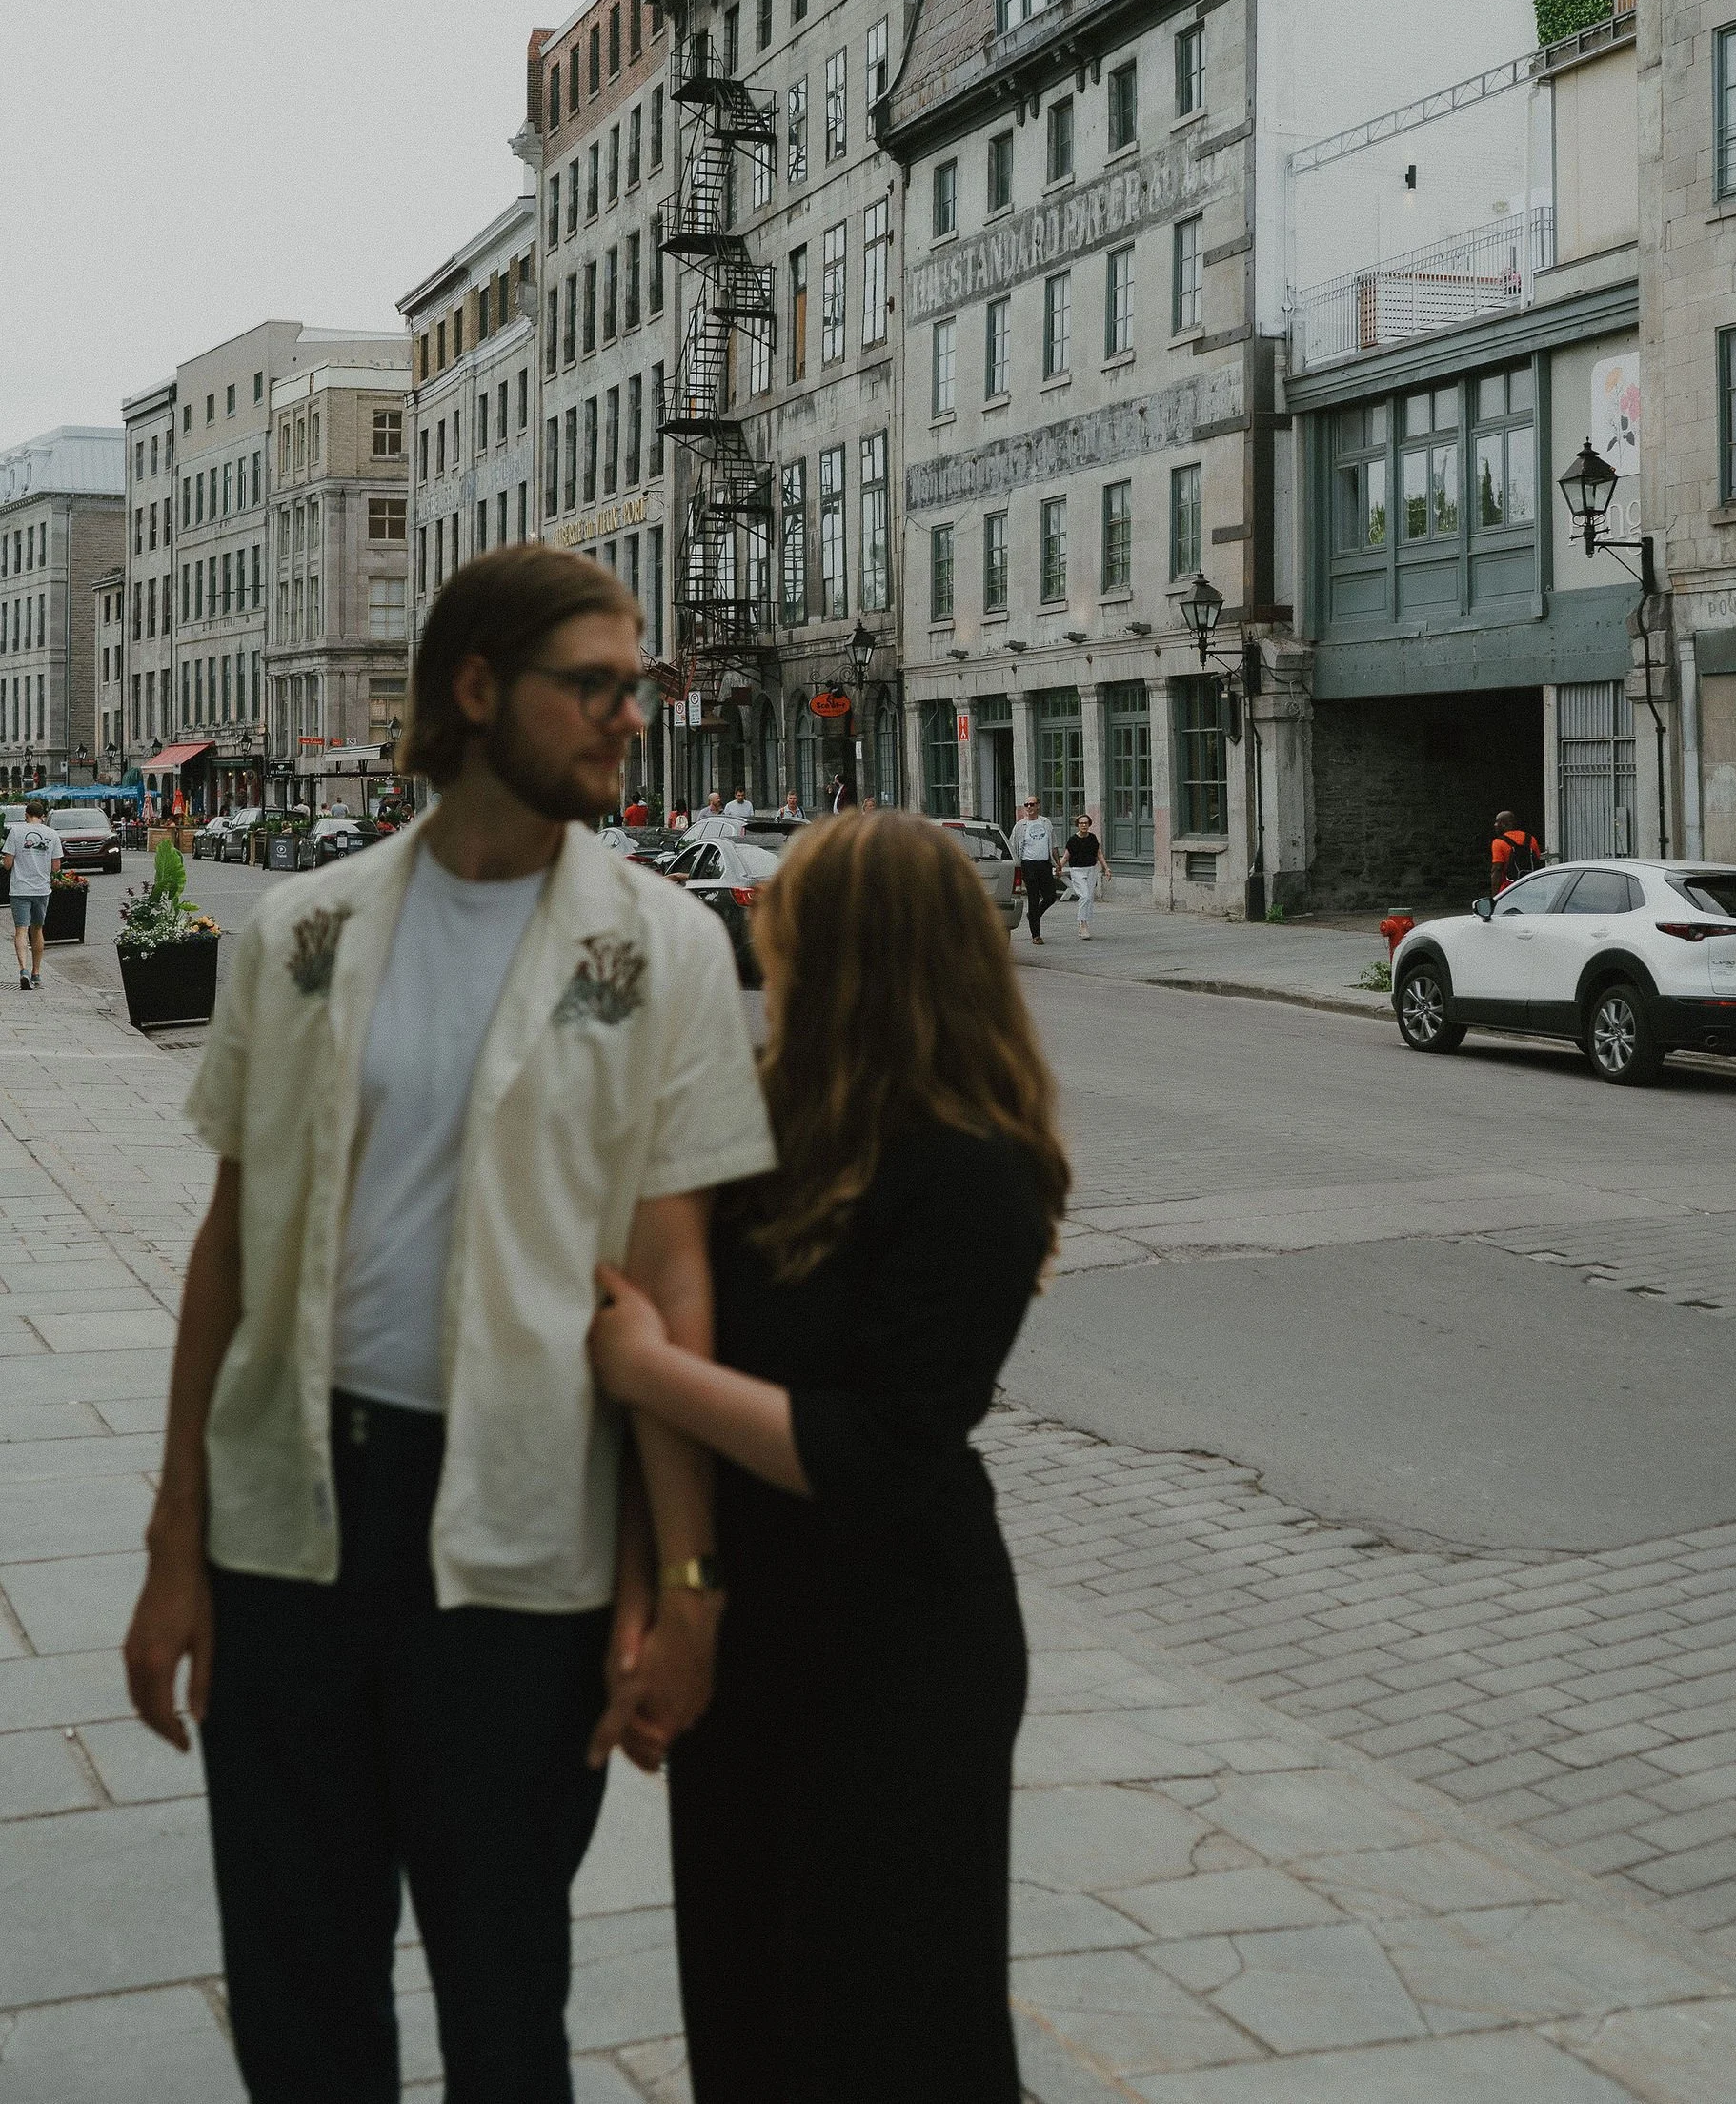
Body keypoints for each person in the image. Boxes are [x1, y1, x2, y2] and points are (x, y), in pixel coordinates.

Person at [121, 546, 775, 2104]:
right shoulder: (301, 929)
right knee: (298, 1985)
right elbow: (231, 1243)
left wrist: (684, 1581)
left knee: (503, 1987)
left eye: (637, 682)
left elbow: (672, 1280)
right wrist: (172, 1543)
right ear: (476, 691)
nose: (630, 714)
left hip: (518, 1541)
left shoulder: (664, 948)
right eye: (593, 684)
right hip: (293, 1526)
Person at [587, 810, 1069, 2104]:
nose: (759, 944)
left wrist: (650, 1369)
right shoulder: (765, 1127)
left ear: (856, 956)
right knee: (747, 2012)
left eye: (780, 926)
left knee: (901, 2027)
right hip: (752, 1633)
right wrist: (650, 1598)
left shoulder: (974, 1167)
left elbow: (890, 1447)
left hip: (900, 1649)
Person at [4, 796, 63, 991]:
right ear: (43, 816)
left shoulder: (16, 832)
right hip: (41, 889)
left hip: (20, 888)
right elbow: (56, 867)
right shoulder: (52, 834)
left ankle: (23, 970)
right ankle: (37, 973)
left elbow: (8, 864)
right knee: (37, 930)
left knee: (21, 930)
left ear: (26, 815)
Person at [1012, 793, 1059, 945]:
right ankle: (1036, 934)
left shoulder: (1046, 822)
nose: (1029, 808)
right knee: (1033, 897)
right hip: (1028, 864)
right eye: (1027, 805)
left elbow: (1053, 845)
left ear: (1038, 806)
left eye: (1032, 804)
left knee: (1050, 896)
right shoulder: (1020, 826)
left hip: (1044, 864)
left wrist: (1058, 863)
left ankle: (1033, 915)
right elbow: (1013, 846)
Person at [1061, 812, 1102, 939]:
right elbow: (1066, 856)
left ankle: (1084, 923)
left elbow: (1099, 854)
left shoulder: (1092, 838)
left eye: (1086, 823)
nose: (1084, 825)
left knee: (1089, 897)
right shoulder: (1073, 840)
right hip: (1077, 870)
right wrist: (1059, 867)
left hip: (1091, 869)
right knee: (1084, 896)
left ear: (1089, 824)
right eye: (1081, 823)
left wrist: (1106, 869)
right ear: (1077, 825)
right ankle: (1082, 924)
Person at [1491, 809, 1544, 893]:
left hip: (1510, 889)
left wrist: (1494, 897)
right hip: (1531, 887)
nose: (1495, 825)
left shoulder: (1499, 842)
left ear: (1503, 824)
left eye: (1497, 822)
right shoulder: (1530, 839)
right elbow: (1537, 860)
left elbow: (1497, 869)